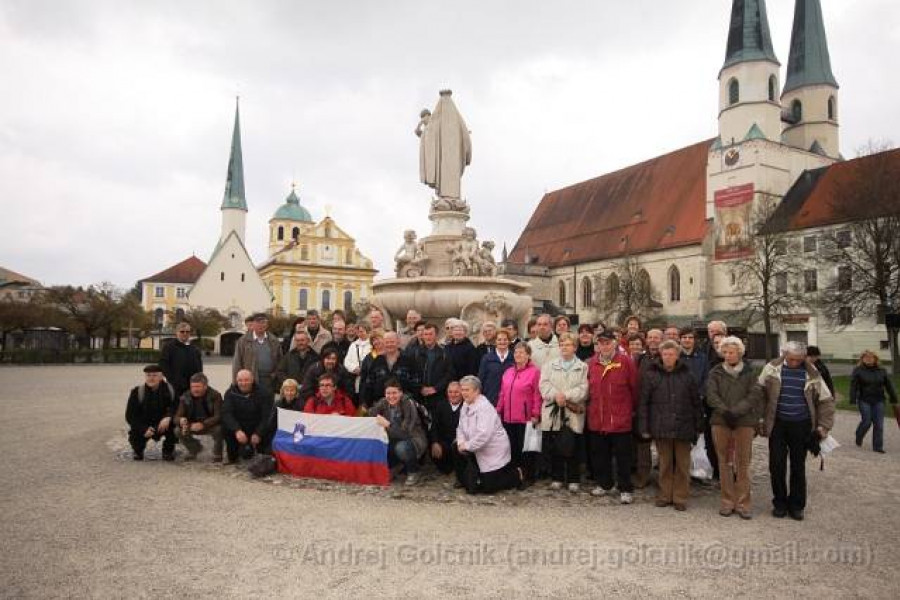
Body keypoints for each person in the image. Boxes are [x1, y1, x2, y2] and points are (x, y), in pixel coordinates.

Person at [758, 341, 835, 520]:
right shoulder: (771, 369)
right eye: (791, 359)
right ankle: (779, 503)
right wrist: (760, 418)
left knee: (798, 466)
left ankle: (797, 505)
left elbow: (826, 400)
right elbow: (759, 393)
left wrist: (823, 426)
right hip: (777, 424)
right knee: (776, 464)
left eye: (799, 360)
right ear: (784, 354)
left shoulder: (813, 373)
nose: (795, 363)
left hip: (801, 424)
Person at [639, 340, 703, 511]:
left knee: (683, 464)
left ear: (677, 355)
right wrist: (644, 427)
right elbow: (644, 403)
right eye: (665, 354)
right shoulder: (651, 374)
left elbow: (696, 402)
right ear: (661, 355)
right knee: (665, 463)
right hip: (660, 426)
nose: (668, 357)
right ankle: (665, 494)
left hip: (684, 425)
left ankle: (680, 497)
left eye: (671, 354)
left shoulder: (687, 374)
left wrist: (698, 425)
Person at [705, 337, 763, 519]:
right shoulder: (715, 372)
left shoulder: (750, 372)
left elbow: (755, 394)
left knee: (743, 462)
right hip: (721, 421)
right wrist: (725, 411)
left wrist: (737, 412)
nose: (729, 355)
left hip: (744, 422)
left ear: (739, 352)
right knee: (724, 462)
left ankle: (743, 503)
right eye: (726, 352)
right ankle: (727, 501)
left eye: (732, 352)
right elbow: (711, 395)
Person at [586, 330, 639, 504]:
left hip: (620, 419)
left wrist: (631, 410)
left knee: (623, 457)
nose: (604, 346)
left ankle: (625, 488)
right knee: (600, 455)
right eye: (601, 343)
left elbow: (634, 388)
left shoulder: (625, 362)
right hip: (598, 419)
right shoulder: (592, 364)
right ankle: (604, 484)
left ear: (614, 344)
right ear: (597, 345)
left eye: (607, 343)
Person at [539, 332, 589, 492]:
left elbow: (584, 389)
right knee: (555, 445)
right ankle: (557, 477)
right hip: (554, 410)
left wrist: (566, 396)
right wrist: (556, 396)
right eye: (561, 344)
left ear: (574, 347)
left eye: (568, 344)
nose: (564, 347)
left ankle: (573, 478)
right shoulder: (549, 365)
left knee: (572, 444)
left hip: (573, 411)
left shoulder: (582, 367)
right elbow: (544, 385)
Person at [456, 375, 523, 494]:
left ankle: (516, 474)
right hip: (475, 447)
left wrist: (466, 446)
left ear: (477, 391)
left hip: (492, 450)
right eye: (462, 389)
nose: (464, 393)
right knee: (454, 446)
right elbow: (460, 427)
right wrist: (461, 442)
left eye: (467, 390)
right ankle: (466, 479)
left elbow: (483, 436)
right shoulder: (465, 405)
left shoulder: (484, 408)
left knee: (489, 488)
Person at [496, 342, 542, 480]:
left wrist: (535, 413)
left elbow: (537, 394)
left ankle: (528, 476)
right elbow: (502, 393)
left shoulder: (535, 372)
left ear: (528, 355)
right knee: (512, 448)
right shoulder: (508, 372)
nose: (518, 355)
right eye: (516, 352)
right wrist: (498, 410)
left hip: (525, 418)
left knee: (526, 449)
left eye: (522, 352)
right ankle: (515, 476)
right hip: (508, 417)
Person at [371, 378, 428, 485]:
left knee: (401, 447)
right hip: (393, 438)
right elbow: (371, 414)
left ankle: (413, 471)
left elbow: (405, 433)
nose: (391, 396)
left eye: (394, 393)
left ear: (401, 393)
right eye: (388, 393)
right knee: (379, 443)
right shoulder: (384, 402)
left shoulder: (408, 404)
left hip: (413, 439)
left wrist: (387, 424)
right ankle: (395, 466)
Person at [680, 326, 713, 481]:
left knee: (698, 437)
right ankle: (681, 470)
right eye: (684, 337)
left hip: (697, 402)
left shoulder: (702, 357)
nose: (687, 340)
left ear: (694, 340)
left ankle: (697, 470)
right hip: (679, 403)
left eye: (690, 337)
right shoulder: (676, 356)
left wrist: (700, 394)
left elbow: (707, 379)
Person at [221, 369, 274, 464]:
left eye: (246, 380)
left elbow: (267, 416)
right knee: (225, 427)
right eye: (240, 380)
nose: (243, 383)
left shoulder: (264, 393)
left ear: (252, 380)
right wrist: (237, 430)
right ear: (236, 381)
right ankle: (233, 454)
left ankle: (262, 451)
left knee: (270, 429)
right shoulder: (230, 393)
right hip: (240, 428)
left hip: (256, 426)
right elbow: (226, 413)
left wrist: (258, 433)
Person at [125, 365, 177, 461]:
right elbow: (130, 416)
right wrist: (143, 428)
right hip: (145, 424)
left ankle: (168, 450)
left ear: (161, 377)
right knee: (135, 433)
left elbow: (176, 407)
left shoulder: (171, 390)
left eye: (154, 375)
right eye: (148, 375)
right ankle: (138, 450)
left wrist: (168, 416)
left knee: (175, 427)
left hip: (163, 424)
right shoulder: (137, 392)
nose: (151, 378)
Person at [850, 350, 897, 453]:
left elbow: (889, 385)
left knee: (879, 424)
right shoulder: (858, 370)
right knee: (866, 421)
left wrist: (894, 398)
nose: (869, 359)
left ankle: (877, 446)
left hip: (879, 400)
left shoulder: (882, 371)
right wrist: (853, 399)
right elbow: (853, 386)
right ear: (862, 359)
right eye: (866, 357)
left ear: (875, 359)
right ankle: (859, 434)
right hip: (864, 399)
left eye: (871, 357)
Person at [633, 328, 663, 488]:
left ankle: (664, 479)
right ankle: (642, 476)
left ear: (661, 339)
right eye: (650, 337)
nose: (653, 340)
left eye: (656, 337)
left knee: (662, 445)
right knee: (643, 444)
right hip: (643, 406)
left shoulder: (667, 357)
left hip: (661, 407)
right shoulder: (640, 358)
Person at [359, 332, 421, 409]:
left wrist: (410, 401)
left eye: (392, 342)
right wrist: (365, 403)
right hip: (380, 406)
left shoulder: (408, 360)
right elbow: (369, 384)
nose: (389, 344)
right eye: (387, 342)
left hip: (404, 406)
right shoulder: (377, 361)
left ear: (398, 343)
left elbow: (416, 383)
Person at [174, 372, 223, 462]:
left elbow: (218, 416)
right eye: (193, 387)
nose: (195, 390)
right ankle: (195, 448)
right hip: (191, 424)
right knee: (178, 431)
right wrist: (181, 420)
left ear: (205, 386)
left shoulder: (215, 395)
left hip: (209, 424)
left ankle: (217, 453)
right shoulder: (185, 396)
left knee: (219, 429)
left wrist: (203, 424)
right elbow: (176, 417)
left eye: (198, 387)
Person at [233, 313, 283, 396]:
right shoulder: (243, 341)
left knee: (268, 404)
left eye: (263, 322)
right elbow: (237, 362)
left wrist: (276, 376)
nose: (260, 325)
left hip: (269, 380)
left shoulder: (274, 340)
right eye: (258, 322)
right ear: (253, 324)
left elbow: (280, 361)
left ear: (267, 325)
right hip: (251, 381)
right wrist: (236, 383)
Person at [411, 323, 453, 415]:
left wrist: (435, 388)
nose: (428, 337)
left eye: (431, 334)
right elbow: (411, 373)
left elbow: (449, 374)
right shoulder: (415, 353)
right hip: (420, 397)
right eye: (426, 334)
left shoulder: (445, 353)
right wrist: (420, 388)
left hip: (438, 397)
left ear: (436, 335)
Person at [159, 321, 203, 401]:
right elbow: (163, 365)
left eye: (187, 331)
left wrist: (199, 381)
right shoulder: (169, 347)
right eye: (182, 331)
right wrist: (173, 380)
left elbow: (199, 367)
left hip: (192, 387)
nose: (185, 333)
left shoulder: (194, 349)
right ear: (177, 333)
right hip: (175, 387)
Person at [429, 381, 465, 477]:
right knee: (434, 449)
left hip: (460, 441)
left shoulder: (466, 406)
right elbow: (434, 426)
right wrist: (435, 442)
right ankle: (447, 470)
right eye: (450, 392)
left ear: (462, 392)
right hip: (444, 441)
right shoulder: (441, 405)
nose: (453, 395)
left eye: (456, 392)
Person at [477, 329, 515, 405]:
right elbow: (481, 378)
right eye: (499, 340)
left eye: (505, 339)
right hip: (490, 398)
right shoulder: (487, 358)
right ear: (495, 342)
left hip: (509, 399)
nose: (502, 342)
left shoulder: (514, 358)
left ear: (509, 341)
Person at [344, 323, 372, 398]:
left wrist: (364, 369)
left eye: (362, 331)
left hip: (368, 378)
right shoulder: (353, 345)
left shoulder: (372, 345)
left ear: (368, 331)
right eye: (358, 331)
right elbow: (346, 361)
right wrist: (354, 368)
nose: (360, 333)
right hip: (355, 377)